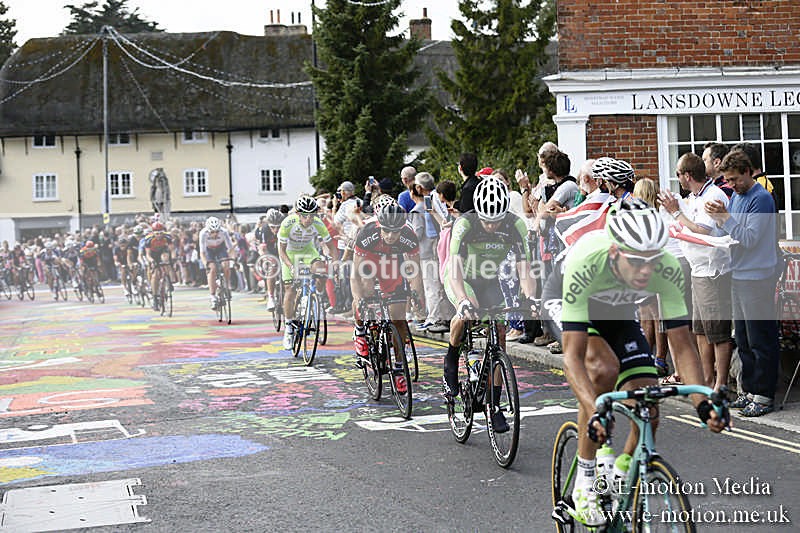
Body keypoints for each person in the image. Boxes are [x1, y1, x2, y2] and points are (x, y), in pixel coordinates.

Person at [540, 198, 726, 526]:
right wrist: (596, 408)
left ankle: (620, 476)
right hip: (573, 300)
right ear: (615, 253)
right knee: (603, 371)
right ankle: (586, 478)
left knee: (648, 405)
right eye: (637, 262)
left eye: (652, 262)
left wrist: (702, 402)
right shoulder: (588, 260)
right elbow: (572, 358)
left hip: (618, 310)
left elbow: (682, 346)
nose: (646, 271)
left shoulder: (665, 268)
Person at [442, 177, 537, 432]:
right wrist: (462, 301)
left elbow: (524, 268)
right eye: (487, 221)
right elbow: (455, 269)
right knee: (467, 312)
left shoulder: (515, 225)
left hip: (489, 279)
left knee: (500, 332)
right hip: (461, 278)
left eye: (496, 221)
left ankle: (493, 405)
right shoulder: (465, 224)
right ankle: (451, 360)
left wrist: (532, 298)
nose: (492, 227)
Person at [705, 149, 780, 417]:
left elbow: (749, 238)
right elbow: (728, 231)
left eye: (735, 179)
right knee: (744, 338)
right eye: (728, 181)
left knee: (761, 337)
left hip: (757, 276)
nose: (732, 186)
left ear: (749, 171)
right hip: (739, 273)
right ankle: (748, 390)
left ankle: (763, 395)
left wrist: (725, 219)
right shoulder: (737, 196)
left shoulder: (761, 199)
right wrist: (719, 221)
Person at [659, 153, 732, 391]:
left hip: (713, 271)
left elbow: (702, 231)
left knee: (718, 332)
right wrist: (675, 210)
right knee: (700, 330)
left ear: (687, 175)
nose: (677, 178)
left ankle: (720, 383)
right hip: (698, 270)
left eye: (679, 173)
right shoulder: (694, 197)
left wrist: (675, 212)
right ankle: (707, 379)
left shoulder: (713, 195)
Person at [351, 204, 426, 393]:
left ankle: (399, 368)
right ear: (379, 226)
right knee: (365, 291)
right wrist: (359, 299)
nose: (391, 236)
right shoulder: (367, 233)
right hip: (369, 260)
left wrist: (417, 298)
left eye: (396, 232)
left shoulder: (409, 236)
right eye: (387, 231)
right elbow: (356, 275)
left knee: (398, 318)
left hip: (392, 264)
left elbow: (415, 273)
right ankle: (361, 332)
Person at [278, 195, 338, 350]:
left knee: (321, 270)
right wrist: (291, 266)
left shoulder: (318, 223)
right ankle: (289, 326)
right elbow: (281, 251)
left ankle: (316, 296)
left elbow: (331, 246)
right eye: (305, 215)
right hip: (290, 254)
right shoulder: (287, 223)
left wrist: (335, 263)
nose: (309, 219)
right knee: (290, 289)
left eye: (312, 214)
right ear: (298, 214)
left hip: (308, 252)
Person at [199, 216, 235, 310]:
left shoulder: (224, 232)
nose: (215, 234)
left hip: (220, 248)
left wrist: (233, 259)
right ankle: (213, 296)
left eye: (216, 232)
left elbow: (230, 248)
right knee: (212, 269)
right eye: (212, 232)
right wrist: (205, 264)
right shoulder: (203, 233)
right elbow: (202, 252)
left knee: (226, 265)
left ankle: (226, 285)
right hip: (209, 250)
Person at [144, 221, 174, 311]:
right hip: (153, 255)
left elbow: (172, 250)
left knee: (166, 260)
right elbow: (148, 254)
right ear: (153, 233)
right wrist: (152, 261)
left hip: (163, 252)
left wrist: (174, 258)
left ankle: (169, 280)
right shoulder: (149, 239)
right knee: (155, 275)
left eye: (161, 233)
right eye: (157, 233)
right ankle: (155, 298)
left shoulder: (167, 237)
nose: (159, 235)